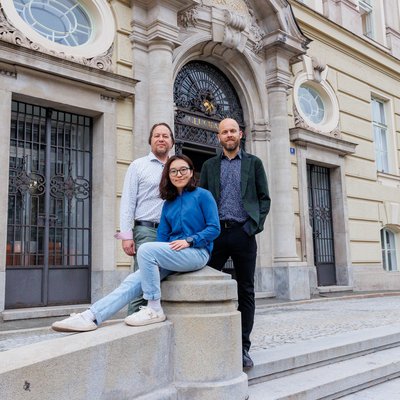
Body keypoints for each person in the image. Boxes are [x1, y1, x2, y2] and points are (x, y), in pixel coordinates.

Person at [52, 155, 220, 332]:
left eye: (183, 169)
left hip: (197, 252)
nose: (179, 174)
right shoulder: (168, 204)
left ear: (191, 172)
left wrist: (189, 240)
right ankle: (91, 316)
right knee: (131, 281)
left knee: (146, 249)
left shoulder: (203, 196)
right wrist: (159, 259)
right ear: (168, 175)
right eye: (173, 171)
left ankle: (154, 307)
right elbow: (162, 237)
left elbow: (214, 228)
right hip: (174, 254)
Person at [199, 118, 271, 369]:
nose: (229, 135)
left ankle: (242, 347)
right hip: (217, 233)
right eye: (224, 132)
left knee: (246, 291)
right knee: (206, 285)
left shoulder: (254, 164)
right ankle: (208, 340)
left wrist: (252, 227)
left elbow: (264, 199)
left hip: (243, 233)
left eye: (232, 131)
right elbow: (202, 199)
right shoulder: (209, 166)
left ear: (240, 134)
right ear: (218, 137)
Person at [115, 123, 174, 315]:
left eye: (165, 136)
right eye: (157, 135)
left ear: (172, 142)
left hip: (171, 234)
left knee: (165, 282)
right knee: (142, 283)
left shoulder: (176, 168)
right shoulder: (138, 166)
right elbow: (127, 202)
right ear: (150, 141)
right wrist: (126, 236)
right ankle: (132, 327)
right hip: (146, 231)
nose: (161, 139)